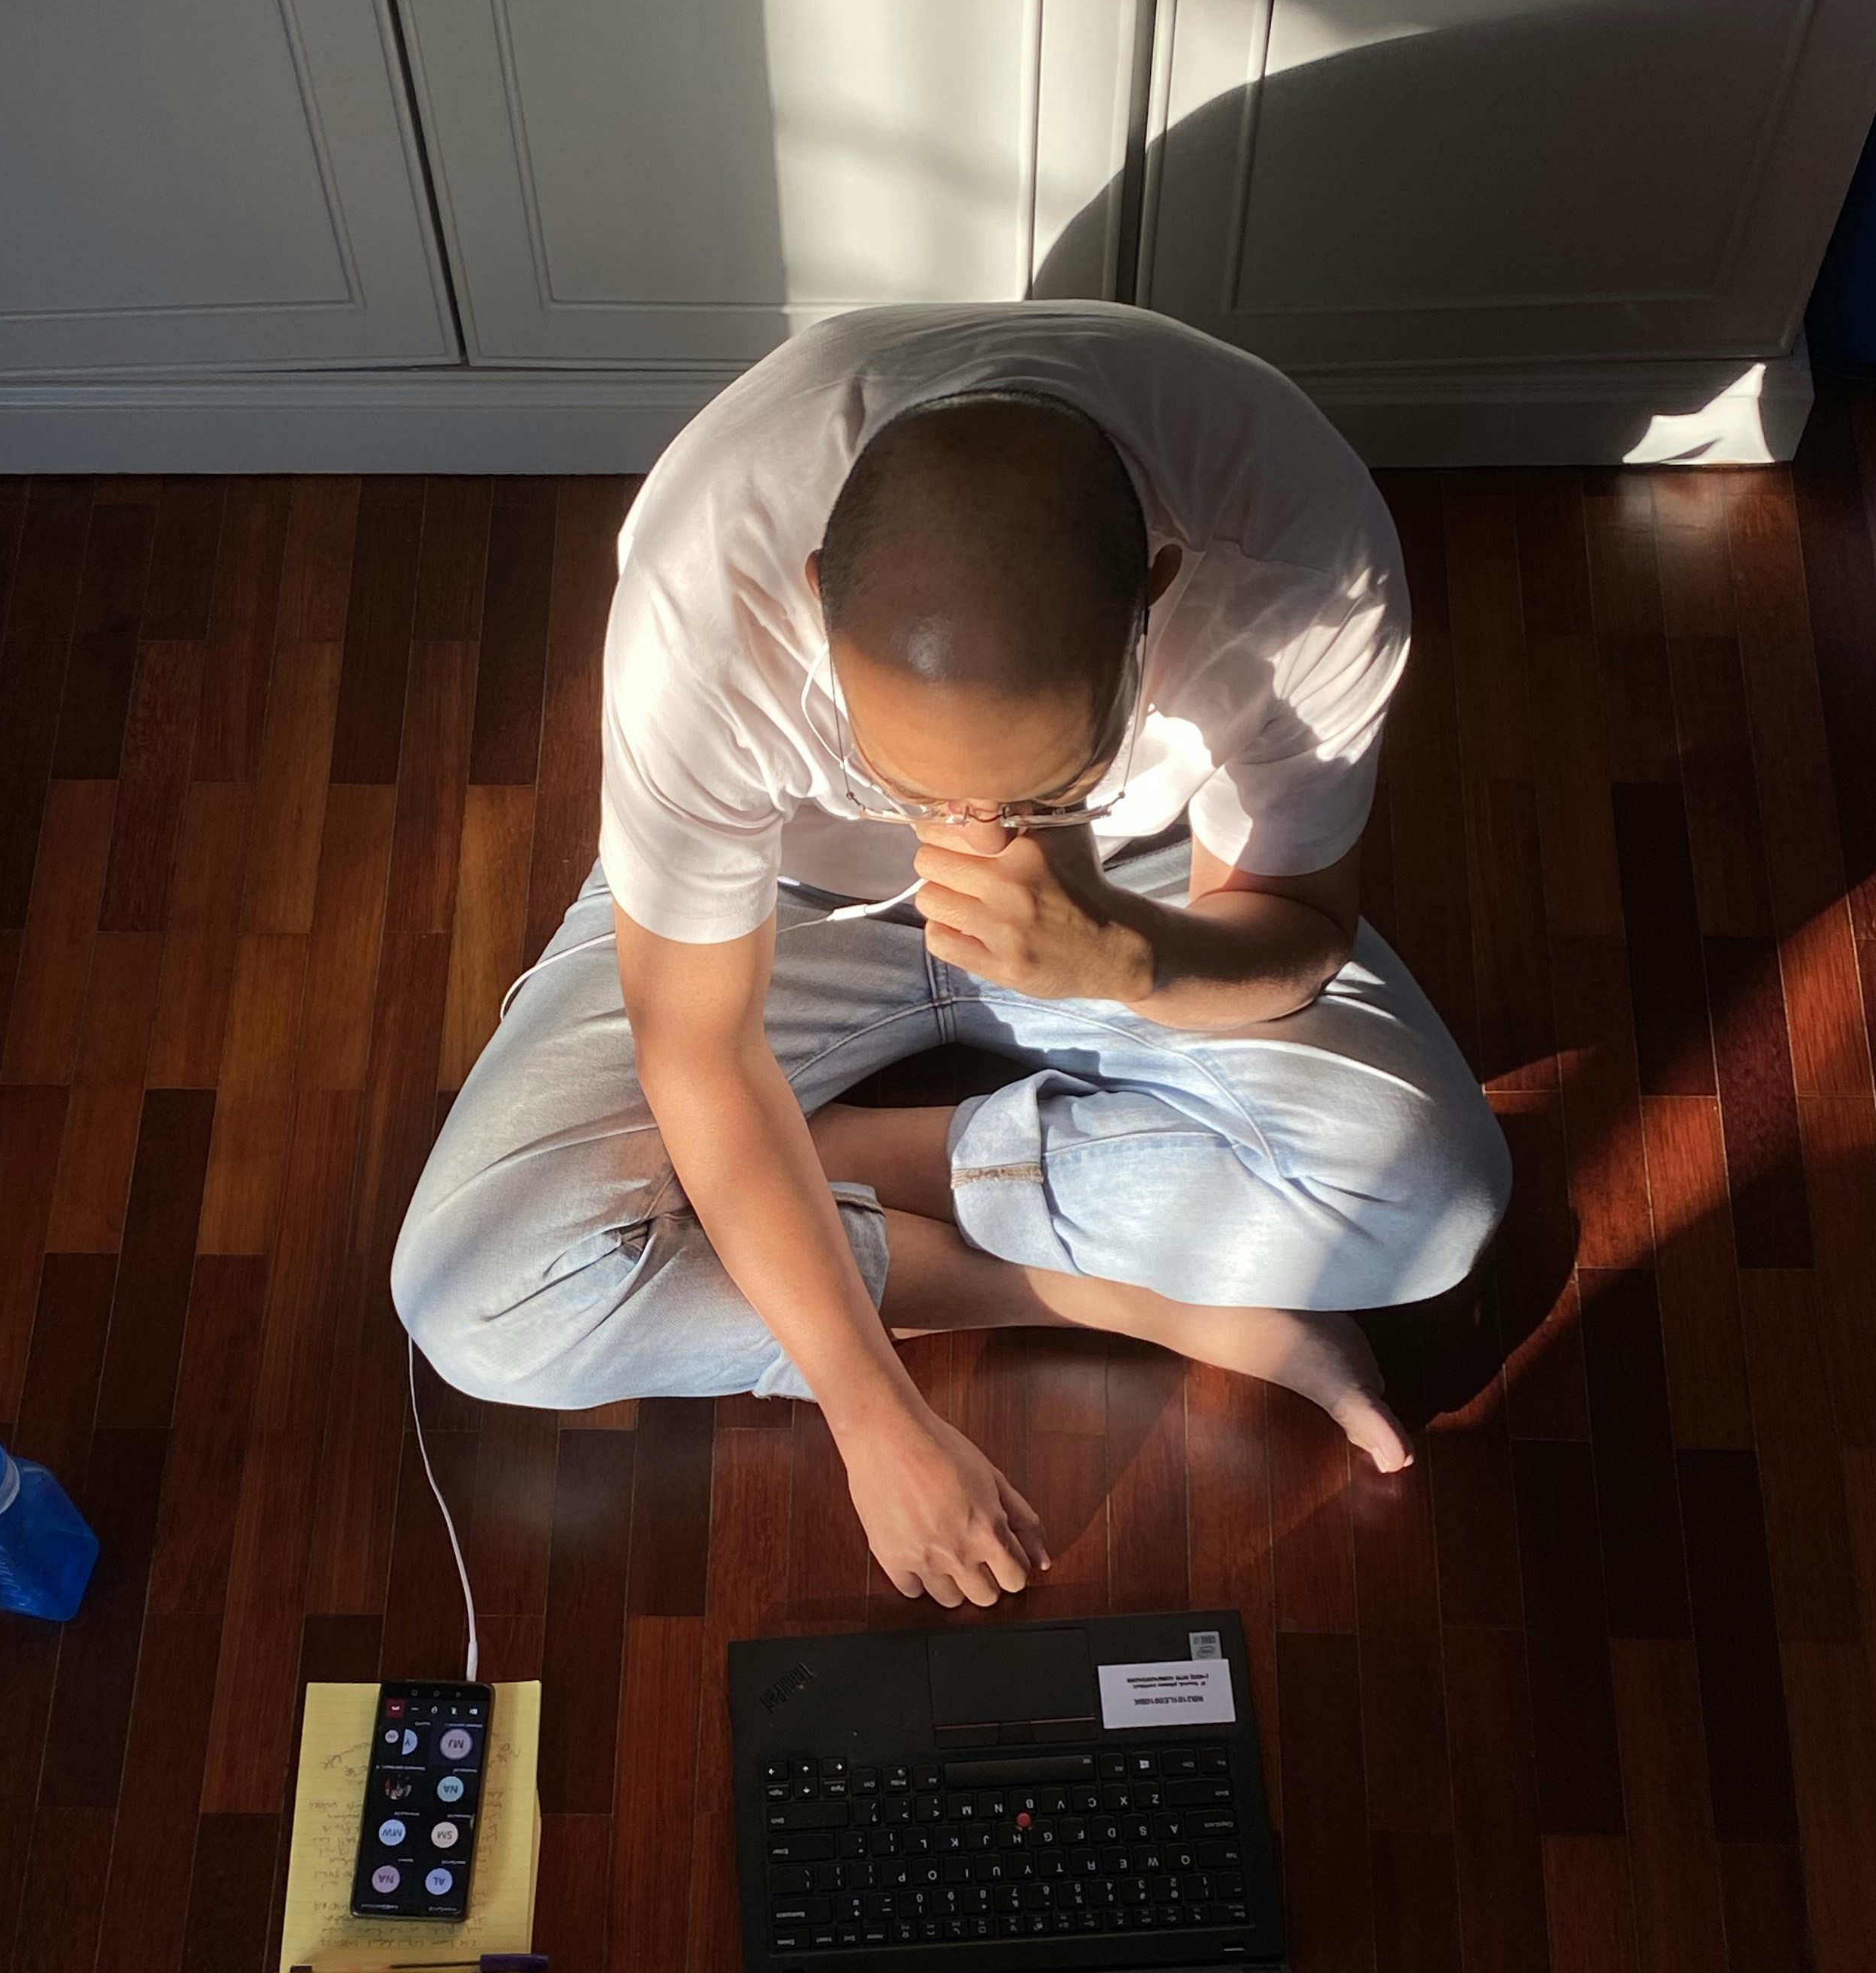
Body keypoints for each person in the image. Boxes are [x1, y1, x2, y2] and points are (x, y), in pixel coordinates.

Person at [392, 302, 1510, 1609]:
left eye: (1038, 790)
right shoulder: (709, 590)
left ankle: (833, 1163)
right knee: (477, 1300)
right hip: (788, 895)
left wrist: (1127, 955)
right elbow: (696, 1042)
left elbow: (1299, 937)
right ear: (818, 596)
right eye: (909, 784)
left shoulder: (1303, 559)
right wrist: (872, 1413)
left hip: (1140, 883)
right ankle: (1126, 1295)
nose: (964, 847)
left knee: (1435, 1210)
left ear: (1157, 595)